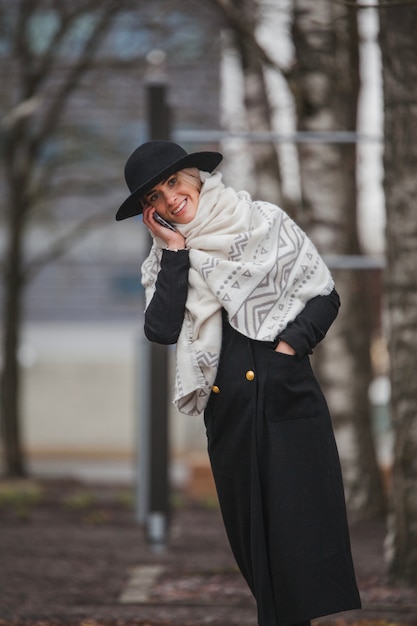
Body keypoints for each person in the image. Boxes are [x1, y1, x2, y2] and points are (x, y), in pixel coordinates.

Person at [115, 140, 362, 626]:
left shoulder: (263, 221)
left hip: (288, 402)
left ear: (195, 176)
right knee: (255, 548)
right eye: (153, 200)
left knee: (299, 541)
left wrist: (290, 348)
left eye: (171, 183)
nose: (168, 199)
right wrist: (175, 252)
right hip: (229, 416)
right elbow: (161, 330)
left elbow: (324, 295)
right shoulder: (166, 260)